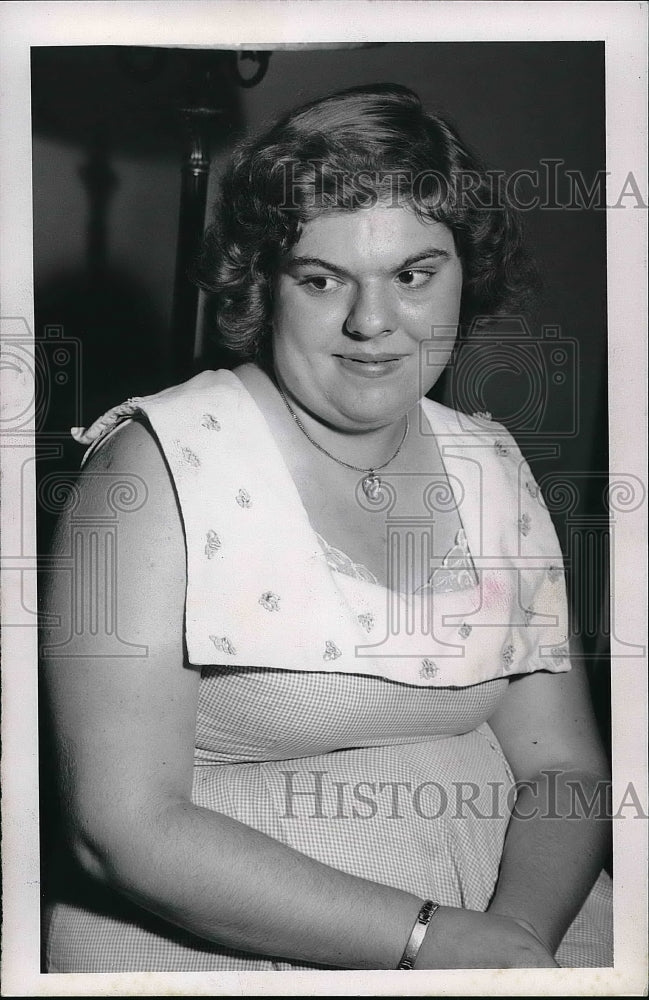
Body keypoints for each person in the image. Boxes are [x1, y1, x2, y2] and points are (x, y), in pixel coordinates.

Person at [41, 83, 612, 973]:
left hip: (516, 923)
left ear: (467, 270)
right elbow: (121, 829)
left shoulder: (491, 463)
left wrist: (517, 943)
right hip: (233, 951)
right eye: (321, 279)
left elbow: (566, 770)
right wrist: (433, 940)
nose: (372, 322)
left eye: (414, 275)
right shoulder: (151, 471)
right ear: (261, 287)